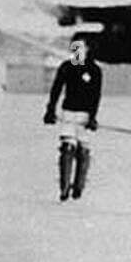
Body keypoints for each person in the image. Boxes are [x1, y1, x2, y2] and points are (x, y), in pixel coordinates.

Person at [43, 38, 102, 201]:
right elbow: (56, 89)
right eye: (73, 48)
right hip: (68, 113)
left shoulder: (94, 69)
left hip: (84, 115)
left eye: (80, 48)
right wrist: (50, 109)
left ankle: (79, 185)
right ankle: (64, 187)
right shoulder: (66, 67)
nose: (76, 51)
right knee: (67, 148)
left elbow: (95, 96)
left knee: (82, 151)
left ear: (87, 49)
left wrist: (93, 117)